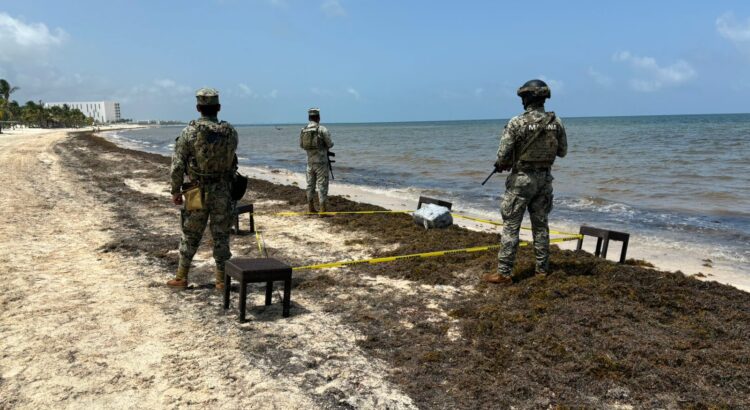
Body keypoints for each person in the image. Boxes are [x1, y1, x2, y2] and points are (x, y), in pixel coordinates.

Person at [483, 79, 568, 285]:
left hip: (521, 180)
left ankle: (504, 273)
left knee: (511, 226)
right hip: (544, 180)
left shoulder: (516, 122)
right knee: (541, 227)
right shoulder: (556, 122)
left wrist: (503, 163)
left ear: (527, 98)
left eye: (523, 97)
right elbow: (562, 152)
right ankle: (542, 269)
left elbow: (503, 155)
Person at [167, 88, 239, 289]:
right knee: (221, 236)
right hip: (223, 190)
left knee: (190, 234)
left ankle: (181, 277)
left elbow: (178, 164)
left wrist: (175, 191)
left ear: (198, 108)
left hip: (195, 190)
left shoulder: (189, 132)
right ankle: (221, 280)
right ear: (218, 107)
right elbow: (232, 160)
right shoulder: (230, 131)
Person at [299, 107, 334, 213]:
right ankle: (322, 210)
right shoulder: (322, 129)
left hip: (309, 162)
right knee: (322, 185)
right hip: (321, 163)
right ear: (318, 117)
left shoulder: (304, 130)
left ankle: (311, 208)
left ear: (309, 117)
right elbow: (330, 144)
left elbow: (301, 145)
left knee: (310, 185)